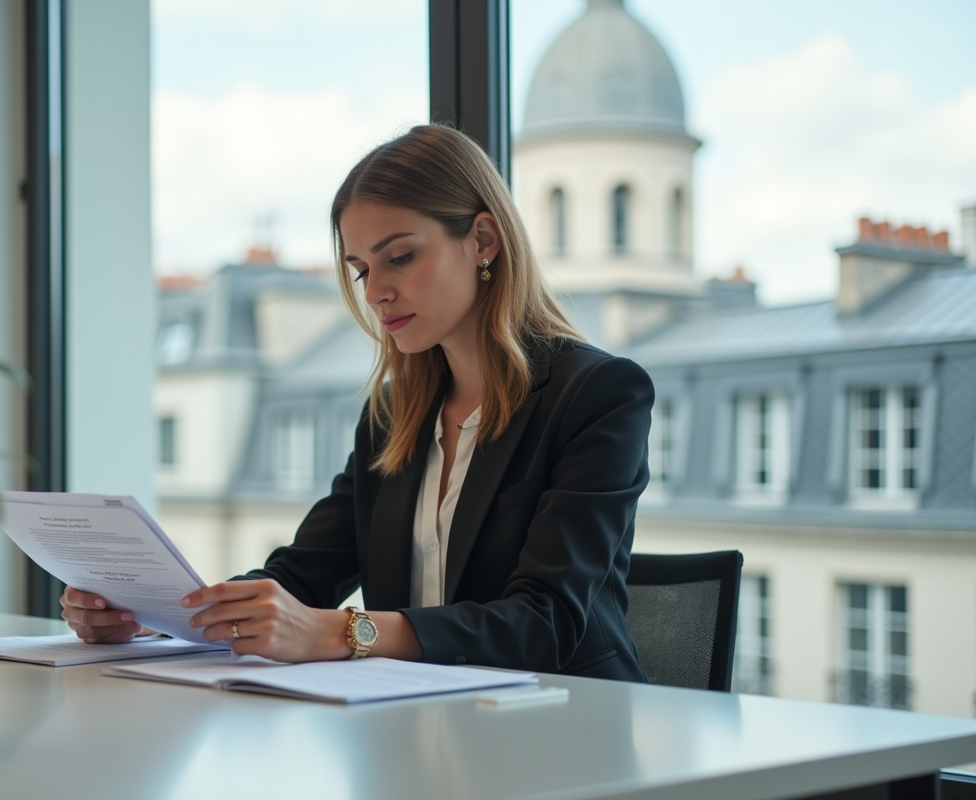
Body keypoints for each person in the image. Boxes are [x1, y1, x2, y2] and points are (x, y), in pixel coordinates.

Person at [62, 124, 652, 681]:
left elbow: (544, 623)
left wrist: (349, 631)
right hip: (413, 726)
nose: (375, 292)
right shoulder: (395, 414)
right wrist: (156, 617)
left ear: (482, 240)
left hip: (564, 732)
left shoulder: (597, 395)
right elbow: (300, 578)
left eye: (399, 258)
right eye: (361, 268)